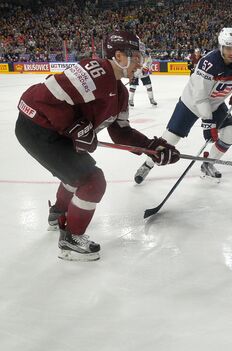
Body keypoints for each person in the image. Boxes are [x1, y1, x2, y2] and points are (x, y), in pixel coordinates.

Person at [14, 31, 180, 262]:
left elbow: (121, 133)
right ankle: (71, 240)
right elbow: (45, 95)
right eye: (137, 58)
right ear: (120, 56)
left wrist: (153, 147)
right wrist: (75, 126)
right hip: (38, 129)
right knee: (92, 181)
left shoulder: (120, 93)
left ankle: (58, 213)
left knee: (78, 174)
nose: (140, 64)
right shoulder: (98, 70)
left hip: (54, 133)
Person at [134, 27, 232, 184]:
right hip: (191, 104)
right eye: (228, 47)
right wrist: (208, 123)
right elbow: (200, 98)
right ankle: (147, 164)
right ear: (221, 47)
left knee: (230, 133)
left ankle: (208, 163)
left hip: (215, 104)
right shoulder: (209, 63)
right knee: (168, 141)